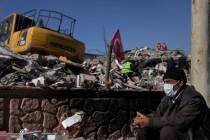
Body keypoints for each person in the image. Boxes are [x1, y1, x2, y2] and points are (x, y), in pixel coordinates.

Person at [132, 68, 210, 140]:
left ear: (180, 83)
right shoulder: (167, 98)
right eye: (164, 82)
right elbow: (157, 115)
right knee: (144, 130)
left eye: (168, 82)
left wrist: (150, 121)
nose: (165, 85)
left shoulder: (194, 99)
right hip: (179, 133)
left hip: (195, 136)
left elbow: (179, 121)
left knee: (167, 131)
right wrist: (143, 119)